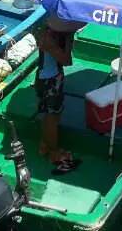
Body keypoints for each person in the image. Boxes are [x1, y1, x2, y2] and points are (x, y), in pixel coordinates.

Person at [36, 17, 82, 174]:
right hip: (50, 80)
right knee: (52, 117)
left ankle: (45, 144)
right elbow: (66, 60)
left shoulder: (48, 33)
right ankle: (53, 152)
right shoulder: (49, 39)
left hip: (50, 77)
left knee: (51, 114)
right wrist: (69, 41)